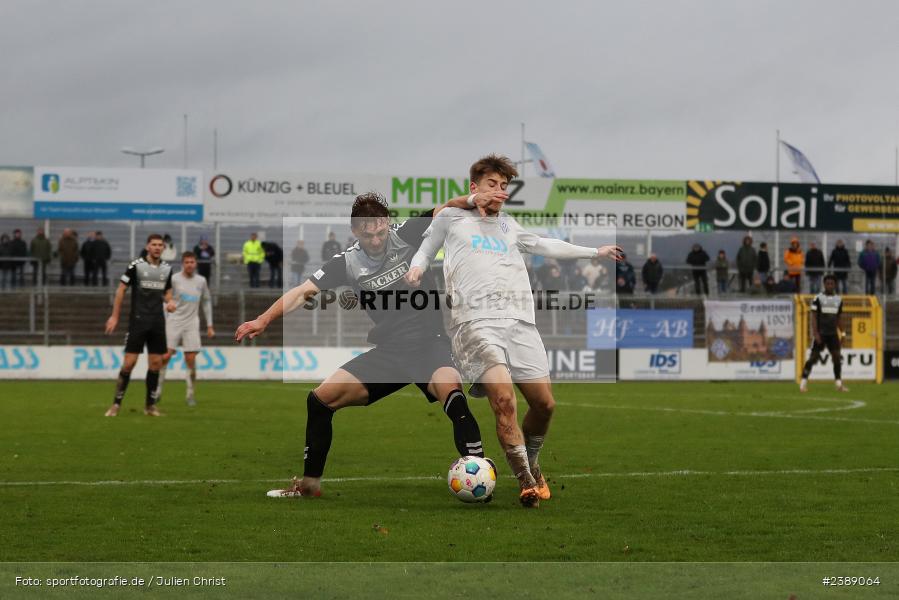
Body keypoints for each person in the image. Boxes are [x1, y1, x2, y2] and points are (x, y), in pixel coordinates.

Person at [236, 192, 487, 499]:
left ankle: (481, 477)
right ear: (355, 231)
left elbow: (446, 208)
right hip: (390, 353)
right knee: (319, 401)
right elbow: (302, 292)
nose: (377, 240)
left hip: (428, 345)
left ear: (388, 223)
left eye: (381, 232)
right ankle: (310, 486)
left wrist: (478, 197)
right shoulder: (347, 263)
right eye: (368, 235)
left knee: (454, 396)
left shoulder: (407, 234)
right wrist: (263, 319)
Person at [407, 154, 623, 508]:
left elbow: (544, 245)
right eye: (492, 184)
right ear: (474, 187)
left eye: (504, 186)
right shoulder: (451, 218)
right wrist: (416, 269)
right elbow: (425, 249)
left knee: (544, 405)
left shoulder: (509, 225)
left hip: (520, 323)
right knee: (504, 401)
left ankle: (532, 462)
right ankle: (525, 481)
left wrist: (594, 251)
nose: (499, 191)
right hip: (474, 323)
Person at [102, 234, 175, 417]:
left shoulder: (167, 269)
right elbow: (121, 290)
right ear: (148, 247)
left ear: (163, 248)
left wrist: (170, 301)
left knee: (156, 363)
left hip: (157, 321)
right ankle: (116, 404)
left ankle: (150, 406)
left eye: (160, 245)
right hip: (138, 320)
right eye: (154, 244)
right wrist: (114, 316)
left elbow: (167, 292)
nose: (157, 247)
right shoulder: (136, 266)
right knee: (129, 363)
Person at [157, 252, 214, 407]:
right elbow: (165, 297)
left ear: (196, 263)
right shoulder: (174, 279)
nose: (190, 264)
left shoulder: (201, 281)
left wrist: (209, 325)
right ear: (183, 264)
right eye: (187, 262)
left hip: (192, 323)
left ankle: (190, 394)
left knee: (190, 359)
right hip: (174, 321)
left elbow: (206, 302)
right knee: (165, 356)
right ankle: (157, 391)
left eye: (192, 262)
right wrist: (166, 310)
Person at [799, 275, 848, 393]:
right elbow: (814, 317)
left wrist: (843, 333)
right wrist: (815, 333)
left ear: (835, 285)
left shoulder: (839, 300)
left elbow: (839, 318)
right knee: (813, 358)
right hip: (821, 333)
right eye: (827, 283)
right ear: (824, 284)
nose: (829, 285)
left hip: (833, 334)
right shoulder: (818, 298)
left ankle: (838, 384)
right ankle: (803, 383)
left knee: (837, 357)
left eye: (832, 283)